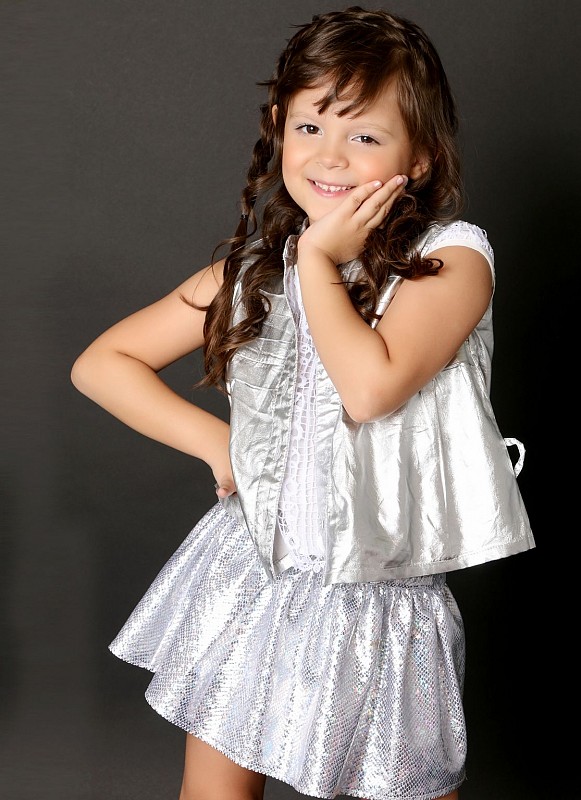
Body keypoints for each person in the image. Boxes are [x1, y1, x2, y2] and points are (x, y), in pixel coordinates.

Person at [71, 6, 535, 800]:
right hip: (253, 572)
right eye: (309, 126)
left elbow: (369, 388)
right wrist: (218, 445)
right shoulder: (256, 268)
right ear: (279, 129)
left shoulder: (451, 259)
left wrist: (317, 261)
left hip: (380, 598)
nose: (329, 156)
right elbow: (102, 364)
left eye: (365, 135)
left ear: (420, 156)